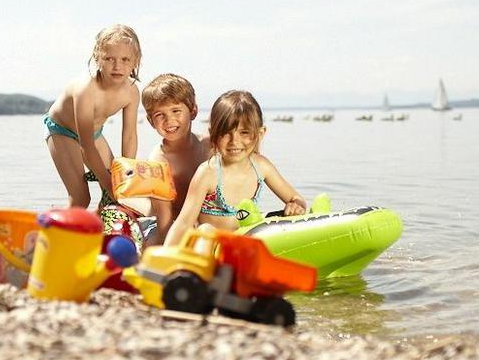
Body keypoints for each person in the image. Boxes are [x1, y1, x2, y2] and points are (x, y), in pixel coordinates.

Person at [163, 90, 307, 246]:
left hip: (242, 245)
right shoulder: (208, 173)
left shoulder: (262, 167)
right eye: (225, 133)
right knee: (206, 230)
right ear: (213, 134)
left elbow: (296, 199)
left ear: (260, 133)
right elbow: (183, 223)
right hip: (211, 246)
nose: (234, 141)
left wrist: (295, 206)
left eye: (244, 132)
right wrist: (164, 257)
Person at [45, 24, 141, 209]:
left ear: (135, 61)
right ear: (97, 57)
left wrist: (127, 176)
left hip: (94, 134)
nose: (117, 66)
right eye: (109, 58)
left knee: (114, 192)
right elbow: (86, 146)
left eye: (125, 59)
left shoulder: (131, 92)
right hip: (62, 132)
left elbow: (129, 136)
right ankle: (59, 233)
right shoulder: (86, 89)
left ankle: (98, 231)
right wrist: (108, 183)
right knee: (81, 198)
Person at [140, 73, 212, 246]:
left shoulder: (209, 146)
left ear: (193, 111)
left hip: (210, 222)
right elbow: (164, 220)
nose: (169, 120)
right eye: (160, 115)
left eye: (176, 111)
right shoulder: (158, 162)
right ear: (151, 121)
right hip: (173, 224)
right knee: (151, 246)